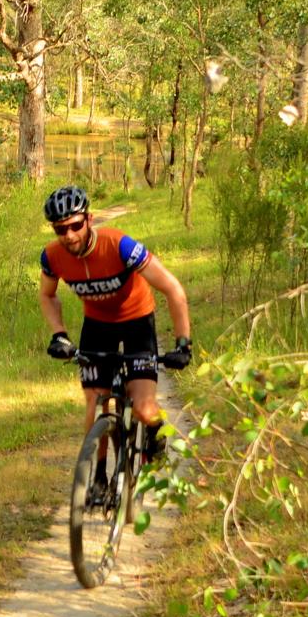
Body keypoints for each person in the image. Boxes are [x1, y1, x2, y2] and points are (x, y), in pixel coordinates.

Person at [37, 185, 192, 466]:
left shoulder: (120, 246)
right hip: (98, 325)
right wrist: (59, 335)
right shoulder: (52, 257)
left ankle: (155, 432)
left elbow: (172, 288)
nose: (69, 235)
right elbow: (47, 295)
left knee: (145, 409)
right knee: (96, 403)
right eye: (60, 230)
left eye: (74, 225)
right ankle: (95, 477)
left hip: (137, 320)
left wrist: (183, 344)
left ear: (89, 219)